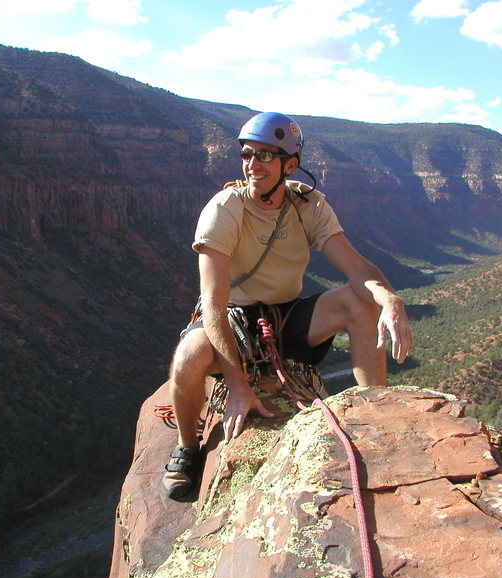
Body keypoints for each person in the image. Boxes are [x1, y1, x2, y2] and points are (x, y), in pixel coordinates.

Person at [163, 112, 414, 500]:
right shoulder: (224, 209)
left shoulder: (308, 205)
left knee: (359, 304)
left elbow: (355, 266)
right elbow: (213, 306)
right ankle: (188, 447)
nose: (252, 165)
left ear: (289, 164)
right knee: (186, 360)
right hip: (233, 315)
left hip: (287, 314)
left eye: (264, 155)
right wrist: (238, 386)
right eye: (247, 154)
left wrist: (390, 299)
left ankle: (373, 412)